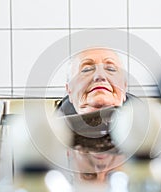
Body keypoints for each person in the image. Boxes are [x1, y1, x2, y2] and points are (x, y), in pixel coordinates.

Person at [56, 47, 136, 183]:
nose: (100, 76)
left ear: (124, 87)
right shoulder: (53, 134)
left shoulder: (150, 129)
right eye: (87, 69)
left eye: (110, 69)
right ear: (69, 90)